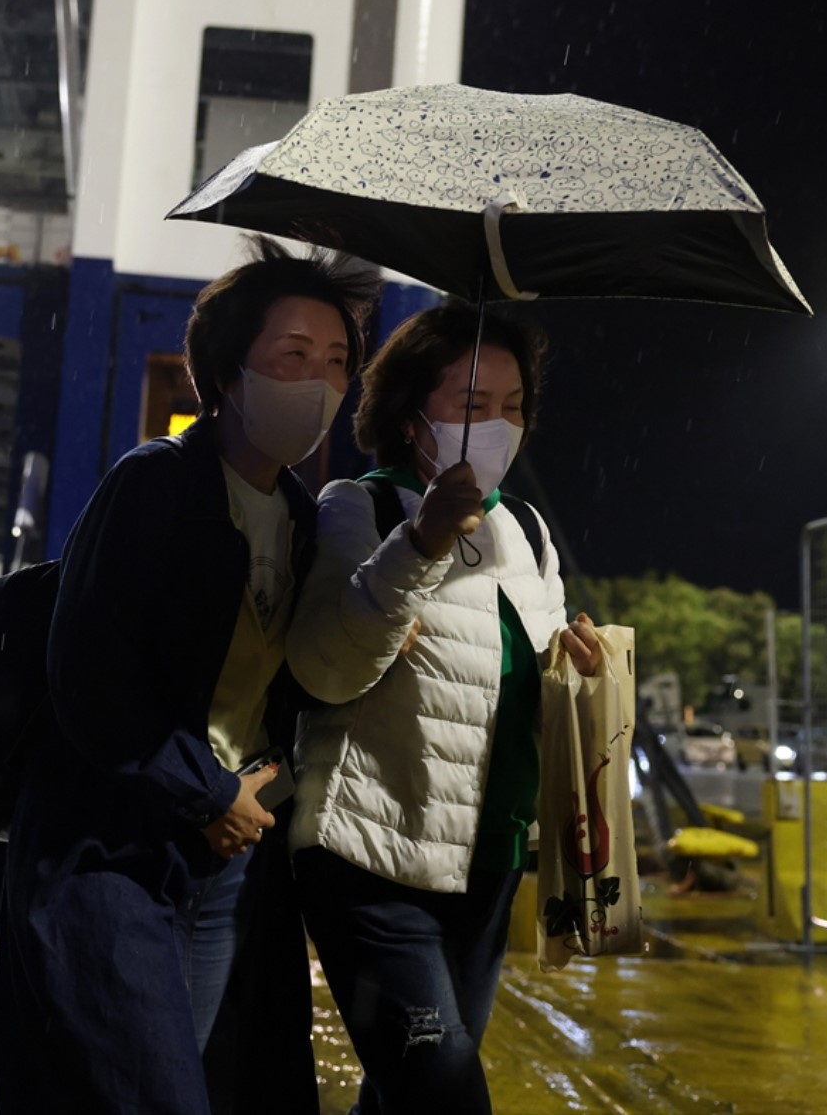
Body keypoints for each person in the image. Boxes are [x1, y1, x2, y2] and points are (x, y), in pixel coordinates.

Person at [0, 237, 380, 1115]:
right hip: (112, 848)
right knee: (144, 1091)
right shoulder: (155, 484)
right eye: (293, 354)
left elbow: (286, 697)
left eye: (337, 360)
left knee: (203, 1074)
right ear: (228, 371)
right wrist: (204, 790)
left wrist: (257, 790)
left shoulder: (303, 518)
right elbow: (89, 676)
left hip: (230, 858)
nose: (318, 381)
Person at [285, 304, 603, 1114]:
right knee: (445, 1097)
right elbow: (324, 667)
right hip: (372, 853)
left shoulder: (526, 531)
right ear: (409, 415)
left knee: (401, 1097)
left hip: (490, 862)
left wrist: (579, 662)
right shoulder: (362, 507)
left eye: (513, 406)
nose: (496, 425)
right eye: (470, 405)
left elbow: (518, 678)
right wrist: (420, 544)